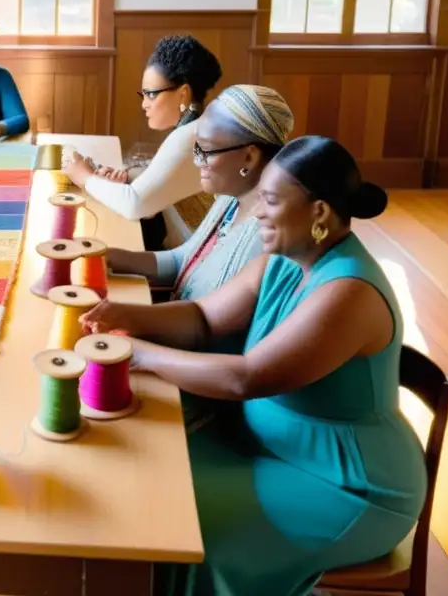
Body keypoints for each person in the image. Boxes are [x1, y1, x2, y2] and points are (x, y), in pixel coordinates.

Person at [81, 136, 427, 596]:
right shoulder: (285, 255)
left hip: (343, 484)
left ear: (319, 212)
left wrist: (140, 355)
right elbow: (204, 319)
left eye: (269, 199)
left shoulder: (348, 293)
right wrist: (125, 316)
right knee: (144, 483)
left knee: (183, 532)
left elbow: (248, 377)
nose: (257, 212)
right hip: (264, 447)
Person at [107, 85, 294, 303]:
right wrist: (111, 258)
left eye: (206, 150)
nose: (197, 161)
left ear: (249, 157)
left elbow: (211, 326)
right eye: (196, 148)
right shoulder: (231, 199)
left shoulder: (265, 238)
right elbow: (182, 260)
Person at [64, 35, 222, 248]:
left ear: (183, 94)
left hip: (196, 266)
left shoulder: (190, 138)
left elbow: (134, 204)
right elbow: (168, 179)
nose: (144, 105)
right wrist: (126, 177)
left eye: (151, 94)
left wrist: (86, 177)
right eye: (143, 95)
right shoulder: (196, 128)